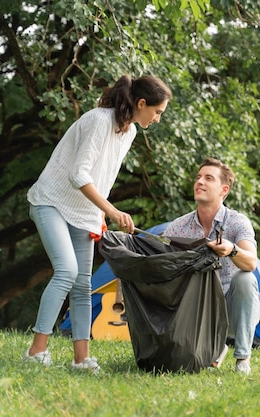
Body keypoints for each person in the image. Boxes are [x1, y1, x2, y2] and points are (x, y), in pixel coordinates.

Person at [24, 74, 172, 373]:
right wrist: (114, 210)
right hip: (50, 201)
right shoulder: (98, 120)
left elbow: (102, 176)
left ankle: (81, 359)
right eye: (157, 112)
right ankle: (35, 353)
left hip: (85, 211)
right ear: (141, 103)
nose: (157, 119)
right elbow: (78, 175)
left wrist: (100, 214)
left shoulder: (128, 131)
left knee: (83, 284)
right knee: (66, 271)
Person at [163, 157, 260, 375]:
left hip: (230, 304)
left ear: (223, 190)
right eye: (198, 177)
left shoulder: (238, 222)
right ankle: (214, 347)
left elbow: (251, 262)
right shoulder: (177, 227)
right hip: (193, 306)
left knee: (245, 278)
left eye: (209, 178)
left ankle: (242, 358)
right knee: (190, 365)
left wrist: (231, 250)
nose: (200, 182)